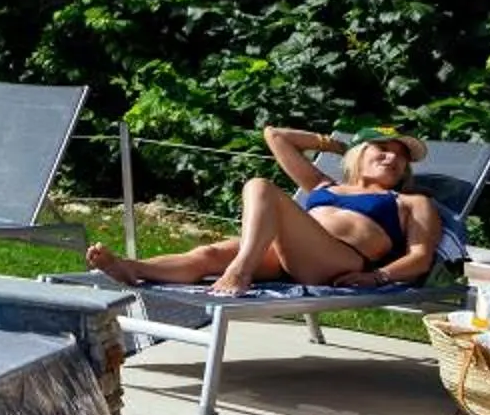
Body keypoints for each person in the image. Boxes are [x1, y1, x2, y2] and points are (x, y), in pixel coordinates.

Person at [87, 125, 443, 296]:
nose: (393, 157)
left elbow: (421, 257)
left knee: (260, 187)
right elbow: (275, 136)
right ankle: (132, 269)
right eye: (382, 148)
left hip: (339, 261)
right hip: (286, 254)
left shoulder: (411, 202)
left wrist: (378, 277)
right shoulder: (323, 185)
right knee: (208, 253)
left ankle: (240, 271)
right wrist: (336, 144)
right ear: (359, 154)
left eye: (401, 156)